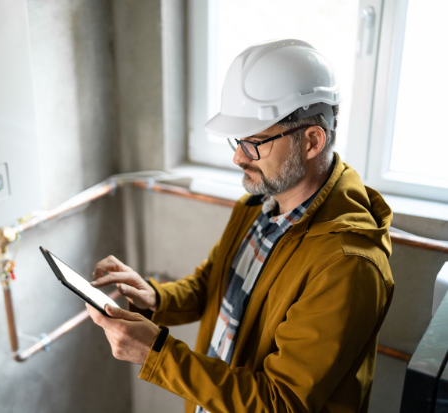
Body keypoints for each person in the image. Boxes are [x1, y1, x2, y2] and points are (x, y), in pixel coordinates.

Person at [86, 39, 394, 413]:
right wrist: (157, 298)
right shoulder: (262, 201)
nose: (237, 157)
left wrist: (158, 355)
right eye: (238, 141)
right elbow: (215, 283)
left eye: (254, 142)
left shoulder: (348, 265)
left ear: (312, 141)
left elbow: (281, 402)